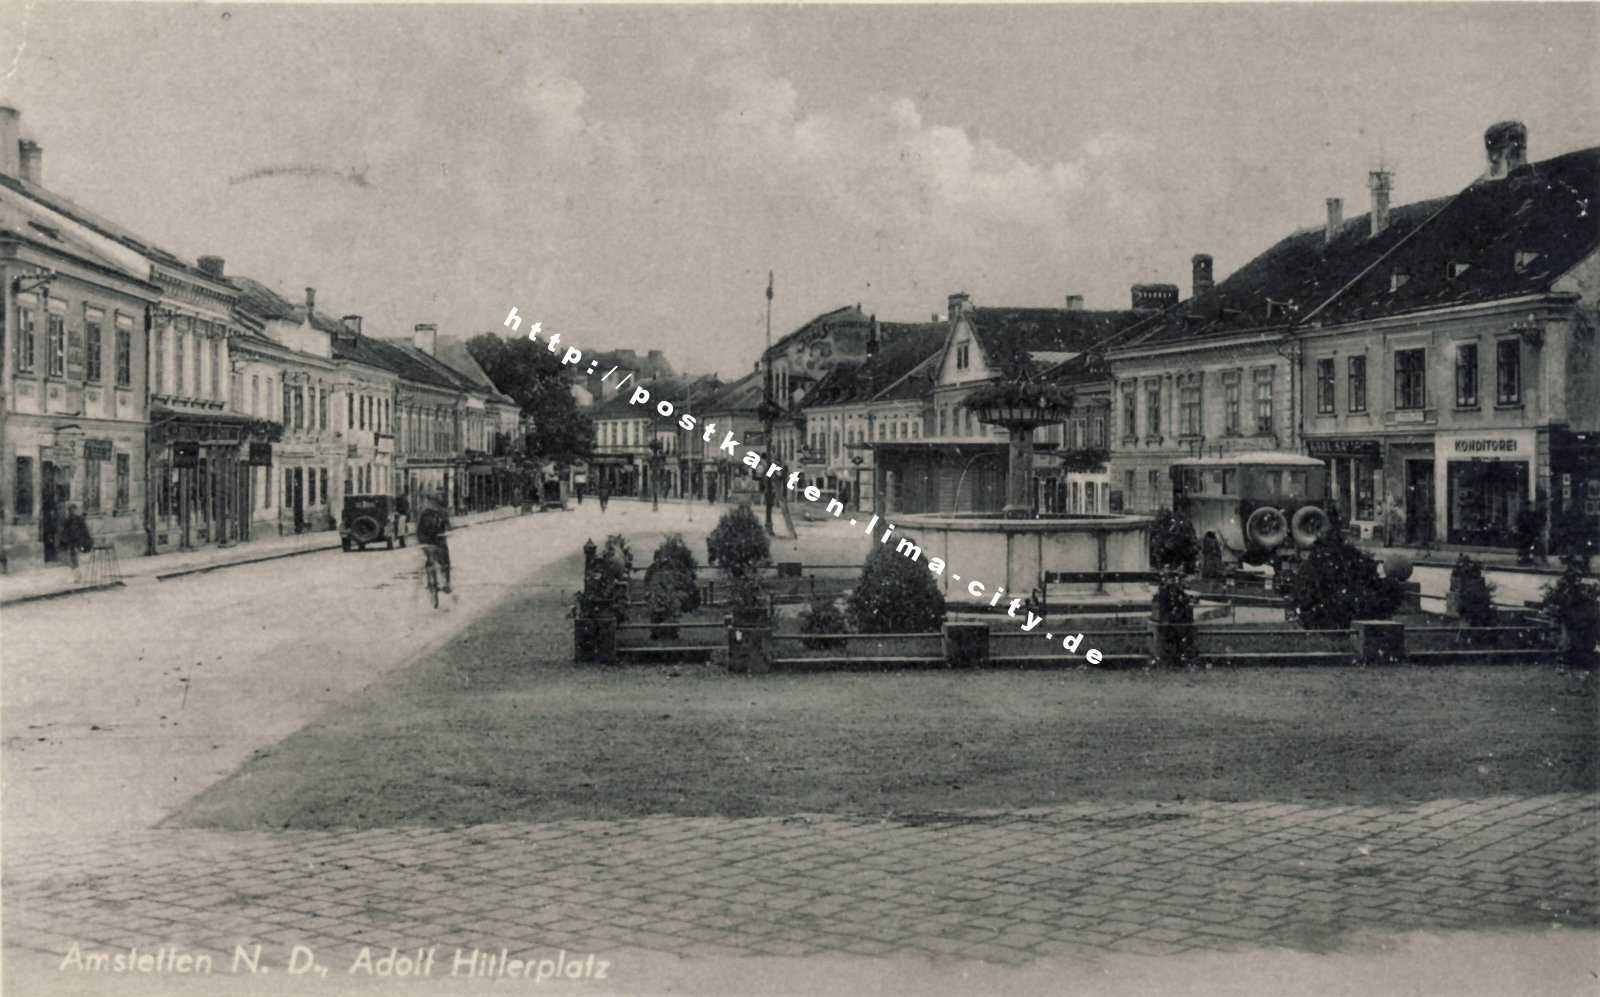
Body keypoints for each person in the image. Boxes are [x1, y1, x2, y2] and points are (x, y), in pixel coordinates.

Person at [415, 494, 452, 593]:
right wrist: (421, 541)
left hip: (439, 540)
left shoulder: (442, 513)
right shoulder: (424, 514)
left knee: (445, 561)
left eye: (433, 503)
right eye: (430, 503)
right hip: (427, 540)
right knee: (430, 559)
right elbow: (419, 529)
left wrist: (447, 530)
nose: (432, 505)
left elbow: (448, 525)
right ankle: (429, 581)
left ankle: (446, 583)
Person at [60, 504, 92, 582]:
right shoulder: (69, 520)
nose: (73, 512)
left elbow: (84, 530)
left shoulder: (77, 519)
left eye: (73, 510)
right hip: (73, 542)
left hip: (77, 542)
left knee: (76, 559)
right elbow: (65, 532)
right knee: (74, 559)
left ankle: (78, 576)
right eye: (71, 510)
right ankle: (78, 575)